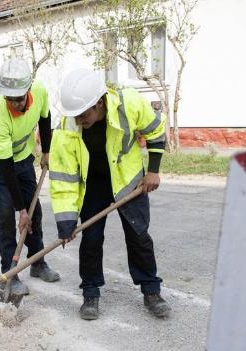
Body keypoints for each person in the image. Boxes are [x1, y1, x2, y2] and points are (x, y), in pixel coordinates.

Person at [49, 68, 170, 321]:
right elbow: (64, 177)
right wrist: (66, 221)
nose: (79, 121)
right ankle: (90, 293)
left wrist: (153, 172)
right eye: (76, 116)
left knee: (139, 237)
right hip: (93, 184)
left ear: (99, 103)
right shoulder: (66, 126)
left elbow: (156, 133)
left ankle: (151, 291)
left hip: (128, 181)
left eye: (84, 115)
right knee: (91, 239)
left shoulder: (130, 103)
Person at [0, 57, 60, 296]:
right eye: (9, 98)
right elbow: (6, 168)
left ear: (28, 90)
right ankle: (9, 273)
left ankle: (38, 262)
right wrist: (20, 210)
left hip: (22, 154)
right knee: (5, 213)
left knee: (36, 210)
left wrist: (46, 151)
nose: (14, 103)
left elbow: (45, 117)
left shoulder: (40, 92)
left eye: (18, 98)